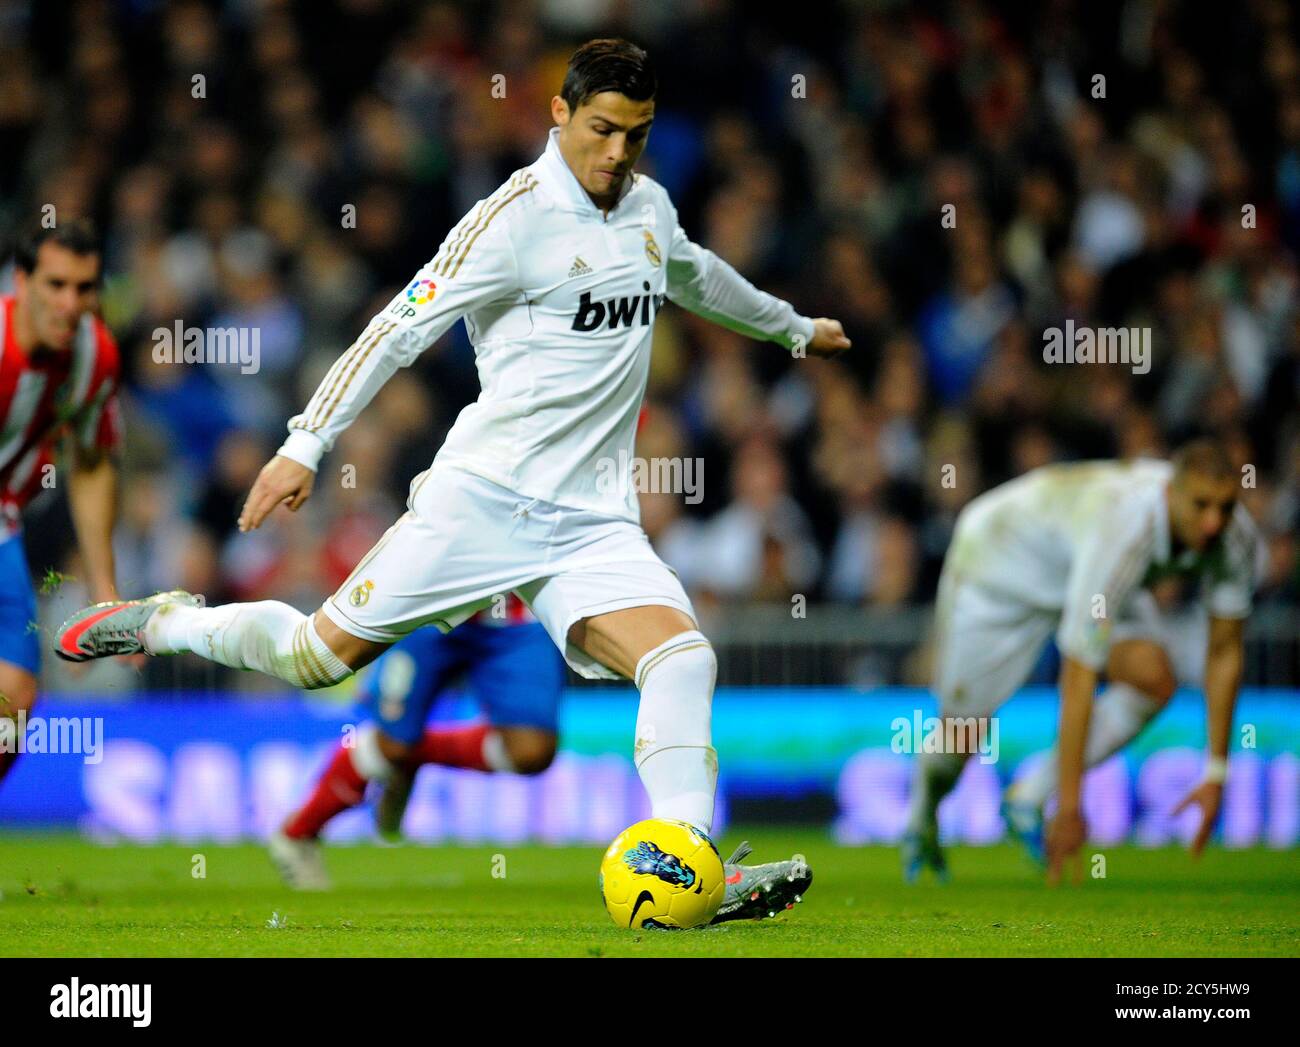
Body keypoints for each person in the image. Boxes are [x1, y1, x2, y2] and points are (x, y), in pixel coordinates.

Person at [57, 39, 848, 920]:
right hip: (484, 501)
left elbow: (696, 276)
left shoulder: (650, 209)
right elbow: (397, 327)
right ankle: (164, 622)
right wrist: (305, 442)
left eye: (638, 134)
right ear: (559, 114)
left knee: (682, 658)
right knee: (316, 659)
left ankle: (692, 870)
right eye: (601, 130)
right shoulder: (510, 221)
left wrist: (790, 328)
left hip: (591, 521)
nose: (618, 154)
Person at [903, 440, 1257, 884]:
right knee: (962, 733)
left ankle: (1028, 798)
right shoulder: (1126, 531)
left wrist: (1216, 771)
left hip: (1081, 567)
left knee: (1154, 679)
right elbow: (1078, 675)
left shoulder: (1236, 538)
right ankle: (921, 819)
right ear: (1171, 492)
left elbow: (1225, 651)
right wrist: (1071, 808)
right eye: (1201, 505)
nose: (1213, 523)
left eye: (1224, 507)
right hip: (1002, 560)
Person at [270, 595, 566, 890]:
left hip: (515, 620)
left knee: (531, 752)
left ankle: (411, 754)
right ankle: (297, 834)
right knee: (393, 744)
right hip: (426, 611)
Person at [0, 220, 126, 789]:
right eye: (55, 284)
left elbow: (93, 461)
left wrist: (104, 590)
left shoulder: (93, 355)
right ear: (20, 281)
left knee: (15, 700)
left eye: (84, 287)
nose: (69, 302)